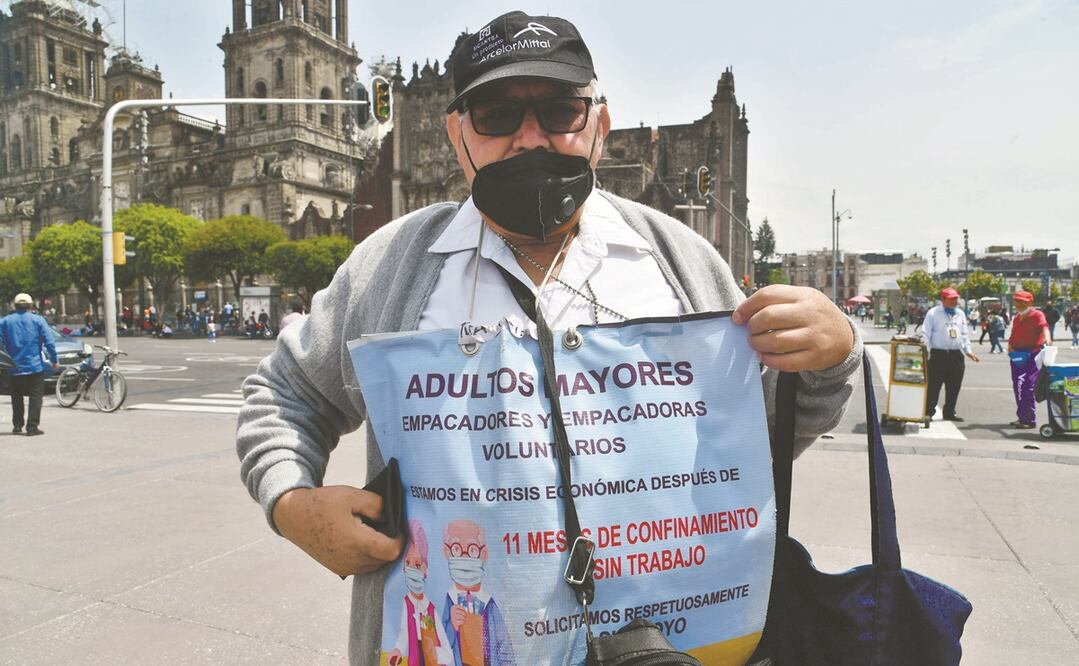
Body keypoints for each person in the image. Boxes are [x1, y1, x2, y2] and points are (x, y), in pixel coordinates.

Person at [236, 11, 861, 663]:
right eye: (497, 116)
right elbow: (287, 395)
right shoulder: (393, 267)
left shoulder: (678, 260)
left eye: (560, 111)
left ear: (598, 125)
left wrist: (826, 359)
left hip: (668, 647)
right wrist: (291, 502)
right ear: (457, 134)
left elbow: (756, 441)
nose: (529, 138)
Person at [0, 293, 59, 436]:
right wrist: (54, 360)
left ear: (14, 305)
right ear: (30, 305)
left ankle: (17, 425)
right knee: (35, 396)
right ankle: (32, 427)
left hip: (13, 367)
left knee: (16, 396)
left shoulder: (5, 321)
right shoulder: (38, 320)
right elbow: (49, 342)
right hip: (34, 365)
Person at [919, 287, 980, 422]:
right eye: (951, 299)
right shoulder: (933, 313)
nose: (954, 301)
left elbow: (964, 334)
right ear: (943, 299)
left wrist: (968, 351)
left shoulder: (960, 313)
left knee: (954, 386)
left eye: (956, 299)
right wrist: (926, 352)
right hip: (938, 355)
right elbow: (926, 333)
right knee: (934, 385)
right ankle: (928, 411)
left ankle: (949, 412)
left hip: (956, 355)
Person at [1007, 290, 1051, 428]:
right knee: (1018, 385)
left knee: (1027, 386)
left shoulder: (1037, 314)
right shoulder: (1017, 317)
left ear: (1030, 302)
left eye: (1022, 302)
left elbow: (1044, 327)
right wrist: (1010, 346)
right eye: (1017, 301)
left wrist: (1048, 339)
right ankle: (1022, 417)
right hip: (1016, 355)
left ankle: (1029, 419)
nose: (1019, 304)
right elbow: (1014, 333)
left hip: (1032, 354)